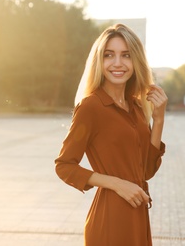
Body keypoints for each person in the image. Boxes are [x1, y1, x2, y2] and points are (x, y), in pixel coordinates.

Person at [54, 23, 168, 246]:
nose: (118, 63)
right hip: (110, 218)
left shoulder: (135, 108)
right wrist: (116, 183)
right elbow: (64, 166)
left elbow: (146, 170)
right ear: (100, 61)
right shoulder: (91, 107)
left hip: (137, 214)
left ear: (136, 61)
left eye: (126, 55)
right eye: (109, 55)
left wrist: (159, 120)